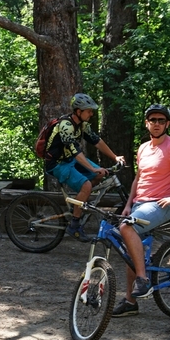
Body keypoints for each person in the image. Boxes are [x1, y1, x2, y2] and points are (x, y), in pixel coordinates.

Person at [112, 104, 170, 317]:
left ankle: (142, 280)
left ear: (167, 124)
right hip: (139, 204)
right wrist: (127, 205)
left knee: (125, 228)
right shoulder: (143, 148)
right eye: (153, 120)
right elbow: (138, 179)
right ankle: (130, 301)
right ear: (147, 123)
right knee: (131, 252)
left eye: (161, 121)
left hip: (160, 205)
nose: (157, 124)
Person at [43, 93, 125, 241]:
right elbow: (75, 151)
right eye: (89, 111)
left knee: (100, 175)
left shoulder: (83, 125)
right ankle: (74, 224)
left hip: (70, 159)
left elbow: (97, 141)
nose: (91, 114)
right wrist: (92, 169)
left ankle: (79, 202)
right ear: (78, 111)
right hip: (57, 163)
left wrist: (115, 157)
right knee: (87, 184)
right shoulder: (66, 126)